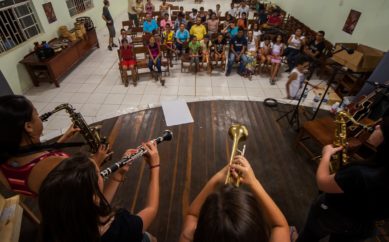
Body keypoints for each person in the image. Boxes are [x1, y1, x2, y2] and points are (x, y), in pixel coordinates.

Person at [39, 140, 161, 242]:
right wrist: (154, 165)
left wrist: (119, 174)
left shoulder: (56, 222)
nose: (102, 174)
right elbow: (151, 209)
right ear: (94, 196)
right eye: (98, 173)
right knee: (149, 238)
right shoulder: (122, 227)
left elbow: (96, 205)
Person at [297, 109, 389, 242]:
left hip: (332, 214)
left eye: (383, 127)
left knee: (308, 237)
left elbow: (322, 182)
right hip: (361, 225)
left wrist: (326, 154)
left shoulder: (359, 174)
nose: (377, 126)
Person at [0, 95, 109, 196]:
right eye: (36, 114)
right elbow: (89, 191)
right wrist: (96, 162)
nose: (40, 117)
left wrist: (64, 138)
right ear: (29, 127)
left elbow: (38, 160)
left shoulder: (4, 165)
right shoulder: (59, 166)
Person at [179, 156, 290, 242]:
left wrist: (216, 178)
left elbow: (192, 215)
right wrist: (253, 182)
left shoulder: (186, 237)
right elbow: (280, 226)